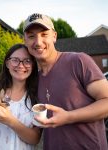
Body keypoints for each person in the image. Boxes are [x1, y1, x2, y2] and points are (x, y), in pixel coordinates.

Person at [23, 13, 108, 150]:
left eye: (44, 34)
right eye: (31, 36)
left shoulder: (78, 61)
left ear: (54, 36)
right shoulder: (34, 80)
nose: (38, 42)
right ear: (25, 41)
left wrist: (68, 117)